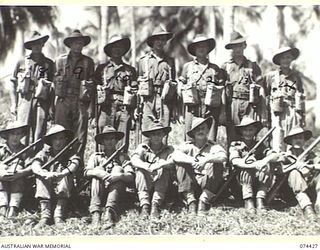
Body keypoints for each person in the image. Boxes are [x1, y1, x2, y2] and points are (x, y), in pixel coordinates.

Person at [54, 29, 95, 164]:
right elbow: (52, 85)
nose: (78, 45)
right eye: (75, 43)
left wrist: (91, 109)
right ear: (70, 44)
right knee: (60, 133)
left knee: (80, 136)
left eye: (80, 43)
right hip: (63, 100)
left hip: (80, 101)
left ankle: (76, 167)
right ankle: (60, 164)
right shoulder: (60, 61)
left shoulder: (88, 62)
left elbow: (92, 86)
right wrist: (52, 107)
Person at [172, 117, 227, 214]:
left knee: (217, 163)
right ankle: (191, 202)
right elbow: (175, 155)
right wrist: (193, 160)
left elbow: (223, 156)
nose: (200, 131)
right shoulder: (188, 146)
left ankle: (203, 201)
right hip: (190, 183)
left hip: (207, 183)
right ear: (193, 132)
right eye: (197, 129)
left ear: (207, 130)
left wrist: (206, 160)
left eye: (203, 128)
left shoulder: (213, 146)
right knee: (181, 163)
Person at [9, 31, 55, 145]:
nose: (36, 46)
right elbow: (12, 82)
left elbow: (53, 86)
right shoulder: (21, 62)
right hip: (25, 100)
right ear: (30, 46)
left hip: (42, 101)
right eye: (34, 44)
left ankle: (36, 160)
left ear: (43, 44)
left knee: (39, 133)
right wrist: (13, 104)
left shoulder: (49, 63)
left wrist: (51, 107)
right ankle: (21, 159)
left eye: (39, 43)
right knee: (21, 130)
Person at [84, 125, 135, 229]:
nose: (109, 142)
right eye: (106, 139)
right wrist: (98, 173)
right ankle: (96, 214)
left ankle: (109, 213)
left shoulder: (123, 157)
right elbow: (86, 172)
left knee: (117, 169)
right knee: (97, 171)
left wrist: (119, 176)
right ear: (102, 141)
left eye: (112, 139)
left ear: (116, 141)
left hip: (116, 194)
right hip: (98, 192)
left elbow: (131, 176)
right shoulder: (96, 156)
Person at [221, 31, 267, 145]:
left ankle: (251, 160)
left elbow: (261, 89)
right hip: (232, 104)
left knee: (250, 134)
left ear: (244, 46)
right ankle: (233, 160)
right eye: (234, 46)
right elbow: (221, 90)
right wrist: (222, 111)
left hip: (250, 104)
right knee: (233, 135)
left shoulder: (253, 66)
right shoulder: (225, 66)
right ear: (231, 48)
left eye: (240, 45)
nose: (237, 49)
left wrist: (263, 111)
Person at [31, 124, 80, 228]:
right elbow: (35, 165)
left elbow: (74, 165)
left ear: (65, 139)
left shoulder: (70, 152)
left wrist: (62, 174)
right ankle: (45, 216)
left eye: (61, 138)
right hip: (47, 188)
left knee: (67, 175)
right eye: (55, 139)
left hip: (64, 190)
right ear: (51, 140)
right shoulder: (45, 153)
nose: (58, 142)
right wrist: (45, 173)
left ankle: (58, 215)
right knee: (40, 176)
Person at [94, 35, 137, 152]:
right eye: (114, 47)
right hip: (105, 107)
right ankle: (101, 166)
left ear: (124, 50)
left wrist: (133, 114)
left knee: (122, 140)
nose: (117, 49)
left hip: (123, 108)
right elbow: (94, 91)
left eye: (120, 47)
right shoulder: (102, 69)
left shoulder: (130, 70)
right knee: (103, 139)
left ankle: (121, 167)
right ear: (110, 50)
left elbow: (135, 92)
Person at [178, 35, 226, 142]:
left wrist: (222, 112)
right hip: (192, 107)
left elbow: (221, 91)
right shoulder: (187, 67)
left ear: (208, 49)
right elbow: (181, 91)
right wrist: (181, 113)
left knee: (210, 138)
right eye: (198, 46)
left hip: (211, 107)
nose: (201, 49)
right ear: (194, 49)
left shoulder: (215, 68)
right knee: (190, 138)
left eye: (204, 46)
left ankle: (209, 158)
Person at [229, 116, 278, 213]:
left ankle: (260, 199)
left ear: (255, 130)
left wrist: (264, 161)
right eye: (245, 130)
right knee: (248, 165)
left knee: (268, 164)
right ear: (241, 131)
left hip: (257, 181)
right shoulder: (236, 145)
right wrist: (254, 164)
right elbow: (235, 161)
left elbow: (275, 155)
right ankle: (249, 201)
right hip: (240, 184)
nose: (248, 133)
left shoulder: (260, 145)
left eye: (251, 130)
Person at [137, 26, 176, 143]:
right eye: (157, 39)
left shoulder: (170, 61)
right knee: (147, 130)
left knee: (163, 130)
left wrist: (173, 107)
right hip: (148, 98)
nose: (160, 42)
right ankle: (145, 157)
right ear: (152, 42)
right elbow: (138, 82)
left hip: (164, 98)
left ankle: (162, 157)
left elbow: (173, 83)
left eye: (163, 39)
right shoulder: (143, 60)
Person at [131, 119, 175, 218]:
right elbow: (134, 159)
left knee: (165, 169)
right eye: (154, 134)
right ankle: (145, 205)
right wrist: (146, 166)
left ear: (163, 135)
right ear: (150, 136)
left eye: (159, 134)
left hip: (162, 183)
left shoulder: (169, 149)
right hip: (146, 181)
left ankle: (155, 205)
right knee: (140, 170)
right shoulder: (143, 147)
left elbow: (173, 161)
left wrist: (161, 164)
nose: (156, 137)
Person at [264, 47, 304, 152]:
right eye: (283, 58)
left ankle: (292, 163)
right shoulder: (271, 76)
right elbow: (265, 95)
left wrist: (302, 116)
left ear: (292, 59)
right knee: (278, 138)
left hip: (293, 110)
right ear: (279, 61)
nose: (286, 60)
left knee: (293, 137)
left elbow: (301, 95)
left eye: (288, 57)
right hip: (277, 111)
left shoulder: (296, 76)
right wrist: (265, 115)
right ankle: (278, 165)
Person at [276, 126, 320, 219]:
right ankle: (307, 207)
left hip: (308, 189)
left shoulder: (310, 155)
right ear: (290, 141)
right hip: (289, 192)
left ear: (304, 140)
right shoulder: (285, 156)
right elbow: (279, 171)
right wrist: (294, 165)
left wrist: (310, 166)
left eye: (300, 138)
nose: (298, 140)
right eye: (295, 138)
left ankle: (318, 204)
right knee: (294, 172)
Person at [0, 121, 32, 220]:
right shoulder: (1, 149)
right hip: (2, 182)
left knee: (18, 179)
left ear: (22, 135)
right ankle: (2, 208)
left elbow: (31, 166)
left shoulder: (25, 150)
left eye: (18, 134)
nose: (15, 137)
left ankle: (13, 209)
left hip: (19, 183)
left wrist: (21, 173)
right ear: (7, 135)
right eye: (12, 134)